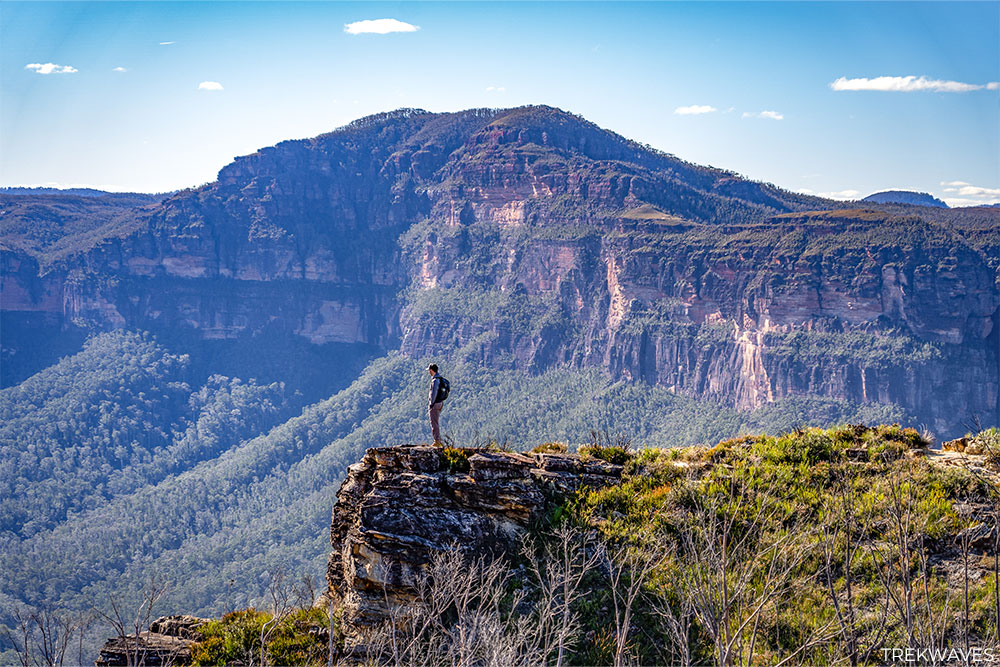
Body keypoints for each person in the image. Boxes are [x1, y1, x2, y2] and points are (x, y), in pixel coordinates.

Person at [427, 363, 449, 444]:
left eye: (429, 370)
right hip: (440, 402)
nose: (429, 372)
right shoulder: (440, 379)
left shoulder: (435, 380)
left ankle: (437, 441)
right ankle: (437, 440)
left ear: (431, 370)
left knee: (434, 422)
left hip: (435, 404)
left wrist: (431, 404)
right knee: (435, 421)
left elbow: (434, 393)